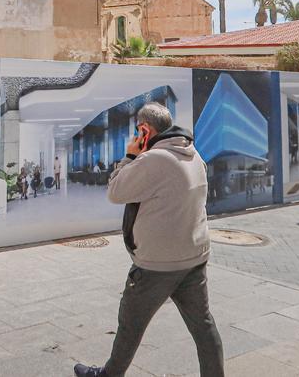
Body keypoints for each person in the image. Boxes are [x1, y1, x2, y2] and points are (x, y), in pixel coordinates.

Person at [74, 103, 223, 377]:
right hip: (193, 258)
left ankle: (108, 375)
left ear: (144, 130)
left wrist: (130, 156)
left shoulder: (154, 160)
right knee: (203, 325)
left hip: (157, 265)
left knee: (130, 325)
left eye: (137, 131)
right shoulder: (194, 154)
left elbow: (116, 192)